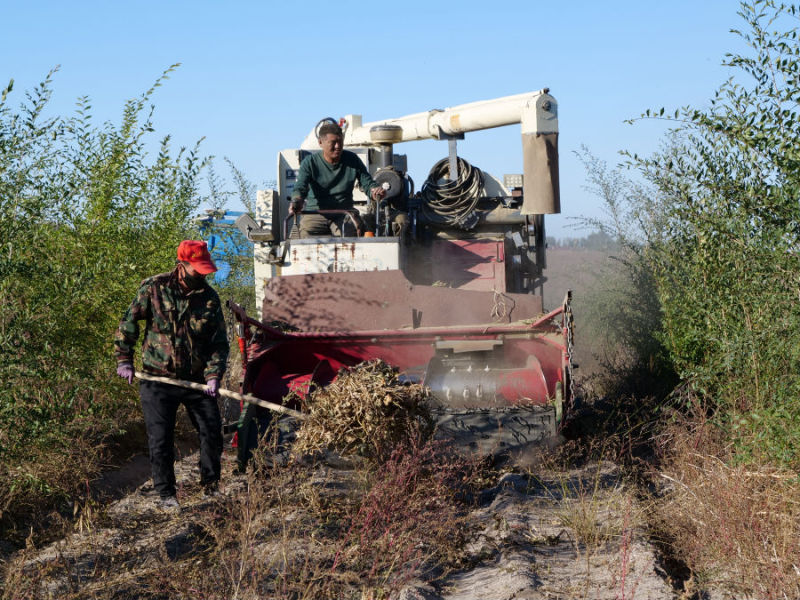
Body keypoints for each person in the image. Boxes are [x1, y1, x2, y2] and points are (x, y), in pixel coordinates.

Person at [114, 240, 229, 511]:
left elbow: (218, 343)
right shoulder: (154, 288)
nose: (201, 275)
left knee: (212, 431)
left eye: (205, 270)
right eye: (197, 269)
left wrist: (213, 376)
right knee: (160, 438)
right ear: (182, 264)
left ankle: (211, 487)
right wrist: (124, 360)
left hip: (196, 380)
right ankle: (166, 494)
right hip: (157, 379)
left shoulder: (209, 298)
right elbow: (127, 324)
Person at [290, 121, 386, 237]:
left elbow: (367, 182)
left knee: (352, 234)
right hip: (315, 213)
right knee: (303, 237)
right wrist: (297, 200)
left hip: (344, 212)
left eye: (340, 142)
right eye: (333, 142)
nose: (338, 146)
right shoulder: (309, 163)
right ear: (320, 143)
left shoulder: (352, 159)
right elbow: (301, 186)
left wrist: (375, 191)